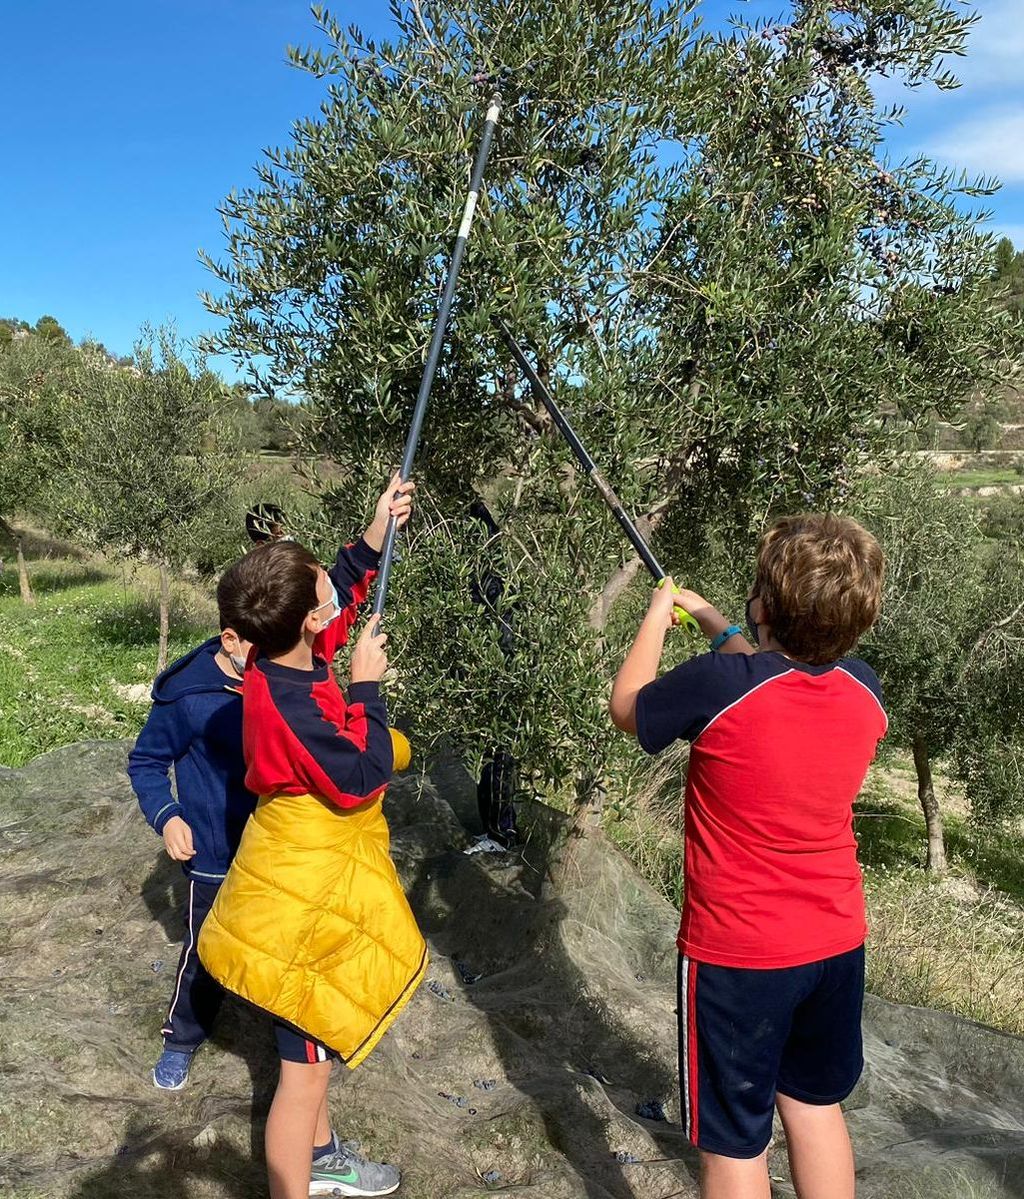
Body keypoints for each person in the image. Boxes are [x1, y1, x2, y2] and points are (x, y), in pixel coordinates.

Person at [609, 514, 887, 1199]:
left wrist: (655, 616)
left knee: (736, 1143)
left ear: (762, 606)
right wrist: (707, 613)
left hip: (740, 956)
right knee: (814, 1107)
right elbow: (764, 671)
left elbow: (628, 706)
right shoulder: (865, 689)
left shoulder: (716, 687)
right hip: (834, 942)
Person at [198, 475, 424, 1199]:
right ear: (304, 624)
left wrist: (376, 524)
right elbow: (359, 776)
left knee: (314, 1052)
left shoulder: (278, 656)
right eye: (321, 590)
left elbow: (345, 583)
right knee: (301, 1073)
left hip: (296, 889)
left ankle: (324, 1157)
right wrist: (368, 689)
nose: (336, 588)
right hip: (299, 907)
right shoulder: (295, 708)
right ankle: (297, 1182)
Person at [128, 600, 256, 1090]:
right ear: (230, 640)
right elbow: (146, 763)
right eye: (260, 647)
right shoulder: (189, 697)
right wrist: (168, 817)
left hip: (277, 846)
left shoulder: (277, 680)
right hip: (215, 854)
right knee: (206, 947)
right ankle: (181, 1037)